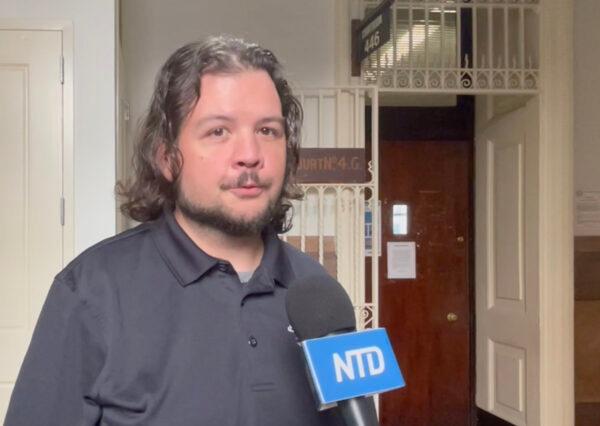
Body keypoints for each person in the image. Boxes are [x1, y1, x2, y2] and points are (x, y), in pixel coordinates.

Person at [5, 36, 342, 426]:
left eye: (268, 131)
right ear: (166, 158)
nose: (250, 153)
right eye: (219, 131)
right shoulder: (91, 292)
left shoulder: (318, 293)